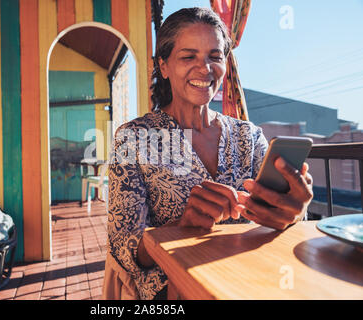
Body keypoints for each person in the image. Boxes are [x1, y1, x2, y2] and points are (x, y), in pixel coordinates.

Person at [102, 7, 313, 300]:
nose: (205, 69)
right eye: (188, 57)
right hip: (173, 289)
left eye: (215, 56)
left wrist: (294, 213)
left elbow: (281, 215)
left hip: (252, 278)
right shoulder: (134, 138)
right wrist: (179, 227)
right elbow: (124, 248)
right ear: (163, 66)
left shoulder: (248, 136)